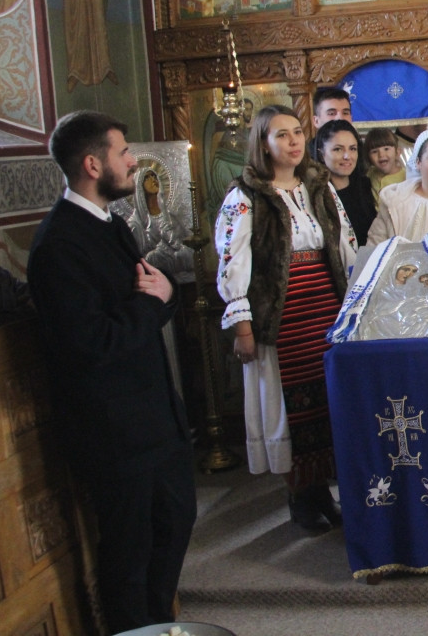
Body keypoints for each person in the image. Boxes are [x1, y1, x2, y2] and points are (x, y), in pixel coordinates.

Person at [28, 111, 195, 632]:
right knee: (129, 553)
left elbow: (150, 290)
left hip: (155, 417)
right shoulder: (58, 245)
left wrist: (164, 296)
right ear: (92, 164)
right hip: (114, 431)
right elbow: (90, 342)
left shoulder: (111, 223)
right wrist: (153, 302)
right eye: (124, 152)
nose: (133, 162)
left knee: (175, 523)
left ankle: (156, 624)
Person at [214, 105, 357, 533]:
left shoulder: (319, 186)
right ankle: (301, 497)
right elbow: (232, 262)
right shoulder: (246, 195)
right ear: (263, 143)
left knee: (327, 401)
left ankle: (323, 494)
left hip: (326, 310)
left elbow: (345, 244)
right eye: (282, 135)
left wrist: (357, 304)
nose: (294, 142)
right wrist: (243, 327)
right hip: (282, 317)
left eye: (297, 132)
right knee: (290, 408)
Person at [316, 120, 375, 244]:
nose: (347, 156)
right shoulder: (316, 195)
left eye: (353, 149)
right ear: (321, 155)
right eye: (338, 149)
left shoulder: (366, 186)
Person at [363, 127, 406, 203]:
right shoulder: (370, 174)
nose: (381, 155)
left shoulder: (406, 177)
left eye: (386, 149)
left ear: (397, 152)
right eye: (374, 151)